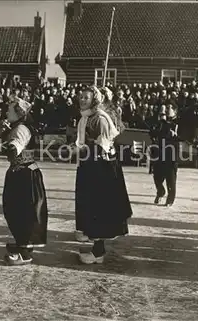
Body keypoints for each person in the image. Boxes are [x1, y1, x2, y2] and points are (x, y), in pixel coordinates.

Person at [0, 95, 49, 265]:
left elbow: (12, 151)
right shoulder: (17, 127)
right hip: (23, 173)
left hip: (24, 175)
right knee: (18, 211)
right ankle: (22, 243)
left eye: (10, 109)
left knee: (22, 212)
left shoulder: (20, 129)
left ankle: (25, 253)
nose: (6, 111)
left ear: (18, 113)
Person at [73, 86, 133, 264]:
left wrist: (84, 150)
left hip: (100, 169)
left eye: (86, 97)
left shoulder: (100, 118)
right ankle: (95, 246)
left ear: (95, 100)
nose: (82, 99)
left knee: (98, 208)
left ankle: (98, 252)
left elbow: (104, 145)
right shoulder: (86, 117)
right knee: (90, 207)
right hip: (89, 166)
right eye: (81, 97)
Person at [150, 107, 179, 207]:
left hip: (171, 156)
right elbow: (152, 133)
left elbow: (183, 137)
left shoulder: (177, 125)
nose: (166, 110)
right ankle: (161, 192)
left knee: (170, 179)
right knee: (157, 177)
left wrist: (176, 135)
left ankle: (170, 200)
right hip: (159, 154)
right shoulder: (159, 124)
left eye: (170, 108)